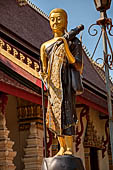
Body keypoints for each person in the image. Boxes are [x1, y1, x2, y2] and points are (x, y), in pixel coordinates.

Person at [40, 8, 83, 156]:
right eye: (52, 19)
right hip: (53, 86)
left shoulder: (73, 41)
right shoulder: (45, 46)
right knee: (54, 116)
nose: (55, 22)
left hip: (65, 84)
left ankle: (69, 147)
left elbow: (78, 66)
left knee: (67, 113)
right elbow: (45, 68)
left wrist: (65, 44)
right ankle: (61, 147)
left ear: (65, 21)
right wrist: (43, 74)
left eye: (59, 19)